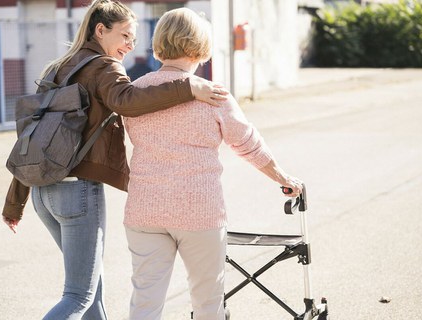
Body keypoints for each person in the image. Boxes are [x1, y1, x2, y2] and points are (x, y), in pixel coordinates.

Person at [1, 1, 228, 319]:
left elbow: (34, 139)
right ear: (100, 30)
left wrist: (15, 202)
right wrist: (188, 86)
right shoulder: (103, 67)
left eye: (134, 39)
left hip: (42, 195)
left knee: (91, 293)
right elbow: (128, 101)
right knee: (78, 295)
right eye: (124, 35)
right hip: (77, 192)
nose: (130, 45)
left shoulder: (57, 67)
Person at [123, 7, 304, 320]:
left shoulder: (135, 93)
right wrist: (283, 177)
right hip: (198, 211)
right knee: (208, 302)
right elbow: (248, 144)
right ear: (200, 46)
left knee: (145, 302)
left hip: (144, 209)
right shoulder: (212, 95)